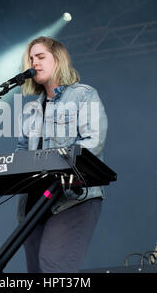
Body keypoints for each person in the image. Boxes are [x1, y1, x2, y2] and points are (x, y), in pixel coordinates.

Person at [15, 36, 108, 273]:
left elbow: (93, 142)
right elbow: (21, 153)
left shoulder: (83, 95)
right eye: (31, 58)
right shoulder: (31, 109)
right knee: (36, 272)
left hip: (71, 198)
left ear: (58, 59)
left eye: (41, 57)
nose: (34, 63)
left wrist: (56, 162)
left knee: (54, 268)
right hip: (34, 204)